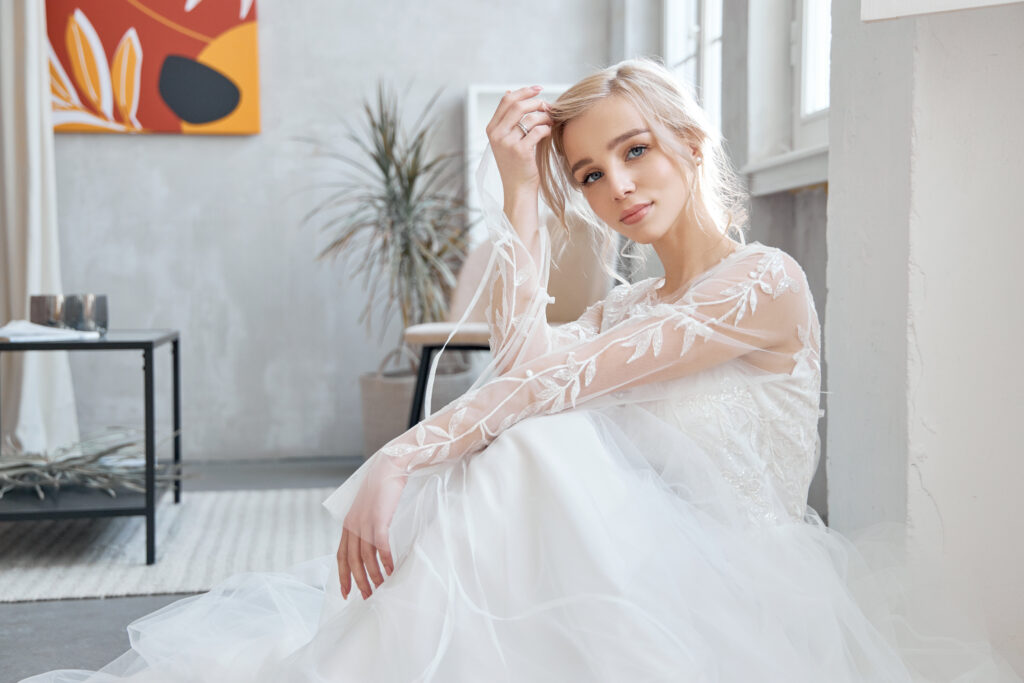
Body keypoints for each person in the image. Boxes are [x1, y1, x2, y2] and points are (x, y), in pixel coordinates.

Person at [22, 58, 1019, 683]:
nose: (617, 186)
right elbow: (521, 364)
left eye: (635, 151)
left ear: (689, 141)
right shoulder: (627, 302)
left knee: (533, 445)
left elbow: (545, 388)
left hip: (724, 577)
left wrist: (400, 454)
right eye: (587, 172)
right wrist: (521, 204)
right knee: (523, 446)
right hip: (620, 564)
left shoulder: (761, 281)